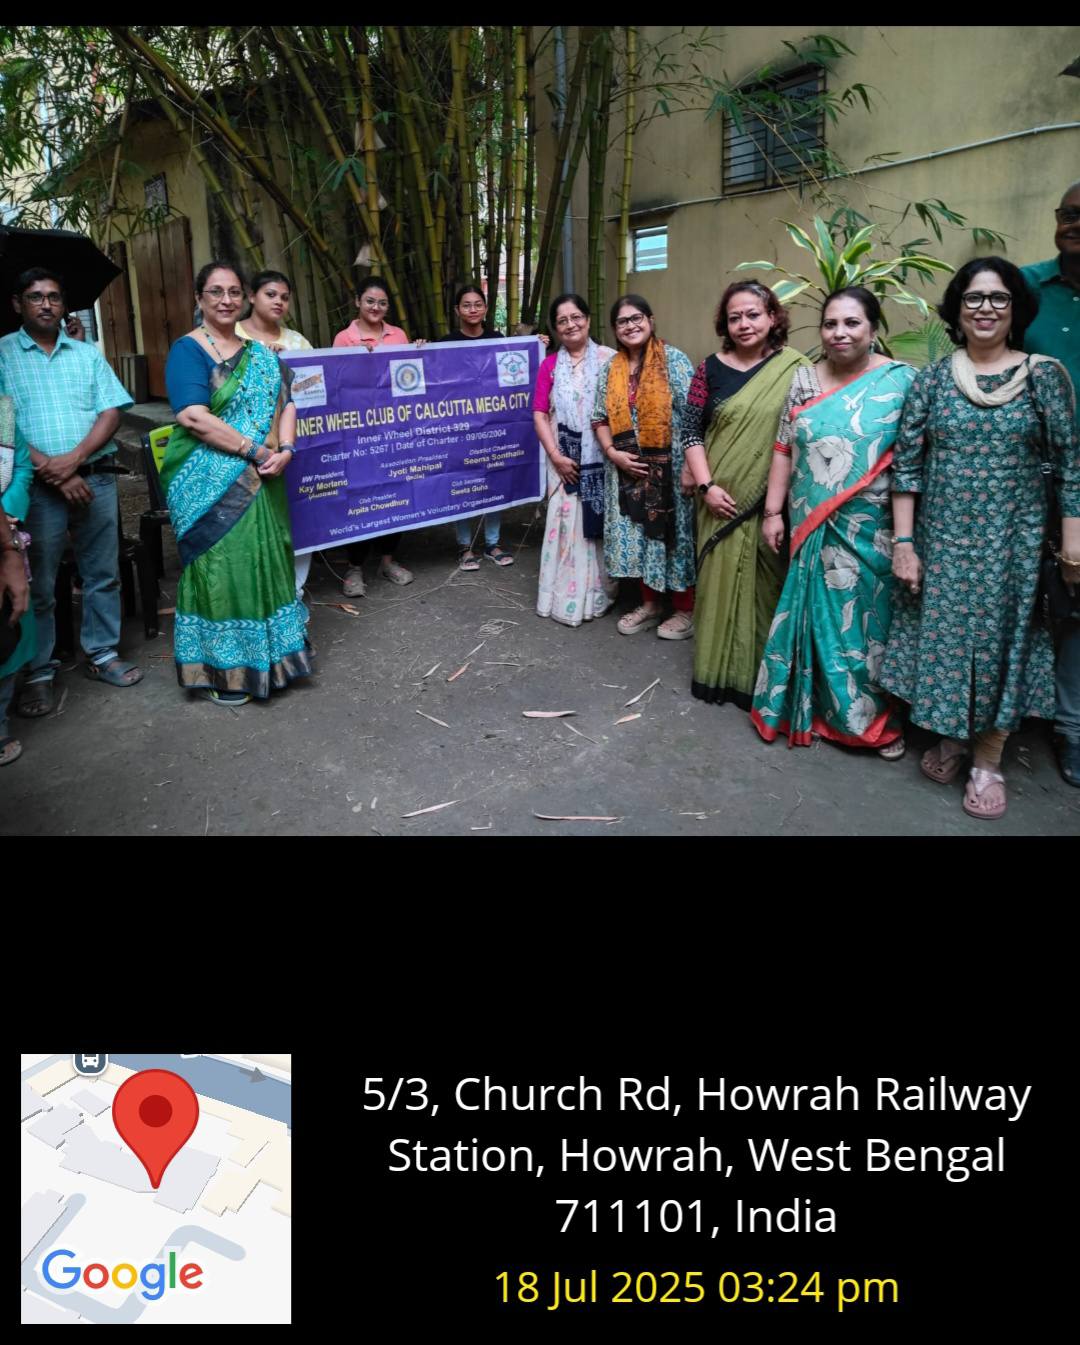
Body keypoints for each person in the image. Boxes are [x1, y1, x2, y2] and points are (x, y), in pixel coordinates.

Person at [881, 257, 1079, 819]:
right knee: (944, 645)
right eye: (973, 298)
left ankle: (988, 759)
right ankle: (951, 737)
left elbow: (1071, 465)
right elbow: (908, 468)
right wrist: (904, 544)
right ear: (957, 309)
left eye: (998, 298)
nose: (985, 308)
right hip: (942, 542)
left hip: (1012, 547)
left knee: (1003, 648)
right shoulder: (932, 379)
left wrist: (1073, 545)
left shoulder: (1042, 377)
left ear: (1016, 309)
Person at [750, 287, 915, 755]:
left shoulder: (901, 382)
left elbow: (911, 463)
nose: (839, 333)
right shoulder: (803, 379)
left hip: (872, 529)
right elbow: (784, 449)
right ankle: (813, 708)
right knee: (816, 617)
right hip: (811, 524)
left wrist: (906, 538)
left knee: (864, 627)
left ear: (873, 329)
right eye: (830, 324)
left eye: (851, 323)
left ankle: (869, 721)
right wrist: (772, 512)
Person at [163, 260, 312, 706]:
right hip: (209, 484)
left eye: (233, 292)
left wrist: (287, 449)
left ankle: (274, 659)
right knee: (224, 570)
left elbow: (288, 401)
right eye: (215, 292)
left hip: (264, 476)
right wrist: (256, 451)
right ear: (199, 298)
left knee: (265, 561)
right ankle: (224, 670)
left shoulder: (260, 355)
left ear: (244, 298)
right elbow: (193, 417)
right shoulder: (188, 351)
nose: (225, 300)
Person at [0, 266, 141, 720]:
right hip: (35, 487)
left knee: (102, 571)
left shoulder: (85, 354)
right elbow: (3, 426)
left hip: (94, 477)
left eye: (54, 297)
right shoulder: (2, 354)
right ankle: (39, 670)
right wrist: (54, 471)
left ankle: (102, 653)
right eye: (36, 296)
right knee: (38, 582)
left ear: (64, 305)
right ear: (18, 304)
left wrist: (75, 459)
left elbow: (111, 412)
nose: (47, 304)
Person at [683, 281, 810, 707]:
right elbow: (690, 431)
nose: (744, 324)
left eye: (753, 314)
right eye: (734, 317)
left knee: (764, 588)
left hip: (770, 503)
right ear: (725, 323)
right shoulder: (708, 369)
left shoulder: (796, 369)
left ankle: (759, 680)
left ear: (772, 317)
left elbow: (804, 435)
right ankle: (716, 675)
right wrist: (707, 487)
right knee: (717, 586)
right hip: (717, 499)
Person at [592, 294, 696, 638]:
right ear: (615, 329)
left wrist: (691, 466)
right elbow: (599, 418)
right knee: (638, 537)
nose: (630, 326)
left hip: (670, 470)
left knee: (673, 536)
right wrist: (613, 453)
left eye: (636, 318)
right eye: (622, 321)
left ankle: (684, 609)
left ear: (650, 320)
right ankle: (650, 606)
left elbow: (693, 416)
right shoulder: (611, 368)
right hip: (626, 472)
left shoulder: (673, 360)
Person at [1021, 180, 1080, 785]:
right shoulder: (1027, 288)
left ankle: (1071, 727)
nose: (1075, 224)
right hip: (1029, 479)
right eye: (1068, 213)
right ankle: (1027, 714)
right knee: (1039, 597)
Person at [532, 293, 617, 625]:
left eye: (576, 317)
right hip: (563, 462)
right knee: (566, 526)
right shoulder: (550, 365)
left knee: (597, 528)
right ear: (555, 329)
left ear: (588, 319)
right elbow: (540, 414)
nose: (570, 325)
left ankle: (597, 595)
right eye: (562, 321)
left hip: (602, 460)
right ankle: (563, 598)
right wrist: (556, 457)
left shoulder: (610, 359)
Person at [237, 269, 316, 607]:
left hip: (290, 443)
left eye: (284, 297)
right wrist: (261, 362)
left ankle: (293, 597)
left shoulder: (297, 341)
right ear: (251, 296)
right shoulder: (232, 336)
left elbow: (313, 385)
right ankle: (257, 601)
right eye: (270, 294)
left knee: (298, 515)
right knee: (251, 525)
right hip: (243, 448)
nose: (278, 302)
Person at [334, 277, 416, 593]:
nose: (376, 307)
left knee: (396, 492)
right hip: (359, 434)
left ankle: (387, 561)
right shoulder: (344, 338)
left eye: (382, 303)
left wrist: (419, 352)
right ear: (358, 301)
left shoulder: (399, 335)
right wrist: (359, 361)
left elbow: (410, 379)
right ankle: (354, 568)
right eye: (370, 301)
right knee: (361, 496)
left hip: (394, 431)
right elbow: (337, 384)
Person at [435, 284, 514, 569]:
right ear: (457, 310)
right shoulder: (445, 343)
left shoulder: (498, 340)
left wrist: (537, 344)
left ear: (486, 308)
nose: (472, 309)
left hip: (491, 423)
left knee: (493, 479)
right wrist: (419, 348)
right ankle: (464, 547)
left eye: (478, 304)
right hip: (459, 427)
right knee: (462, 482)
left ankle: (492, 543)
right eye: (466, 305)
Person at [0, 393, 34, 764]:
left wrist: (8, 518)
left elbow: (22, 468)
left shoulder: (3, 412)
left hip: (6, 531)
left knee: (8, 625)